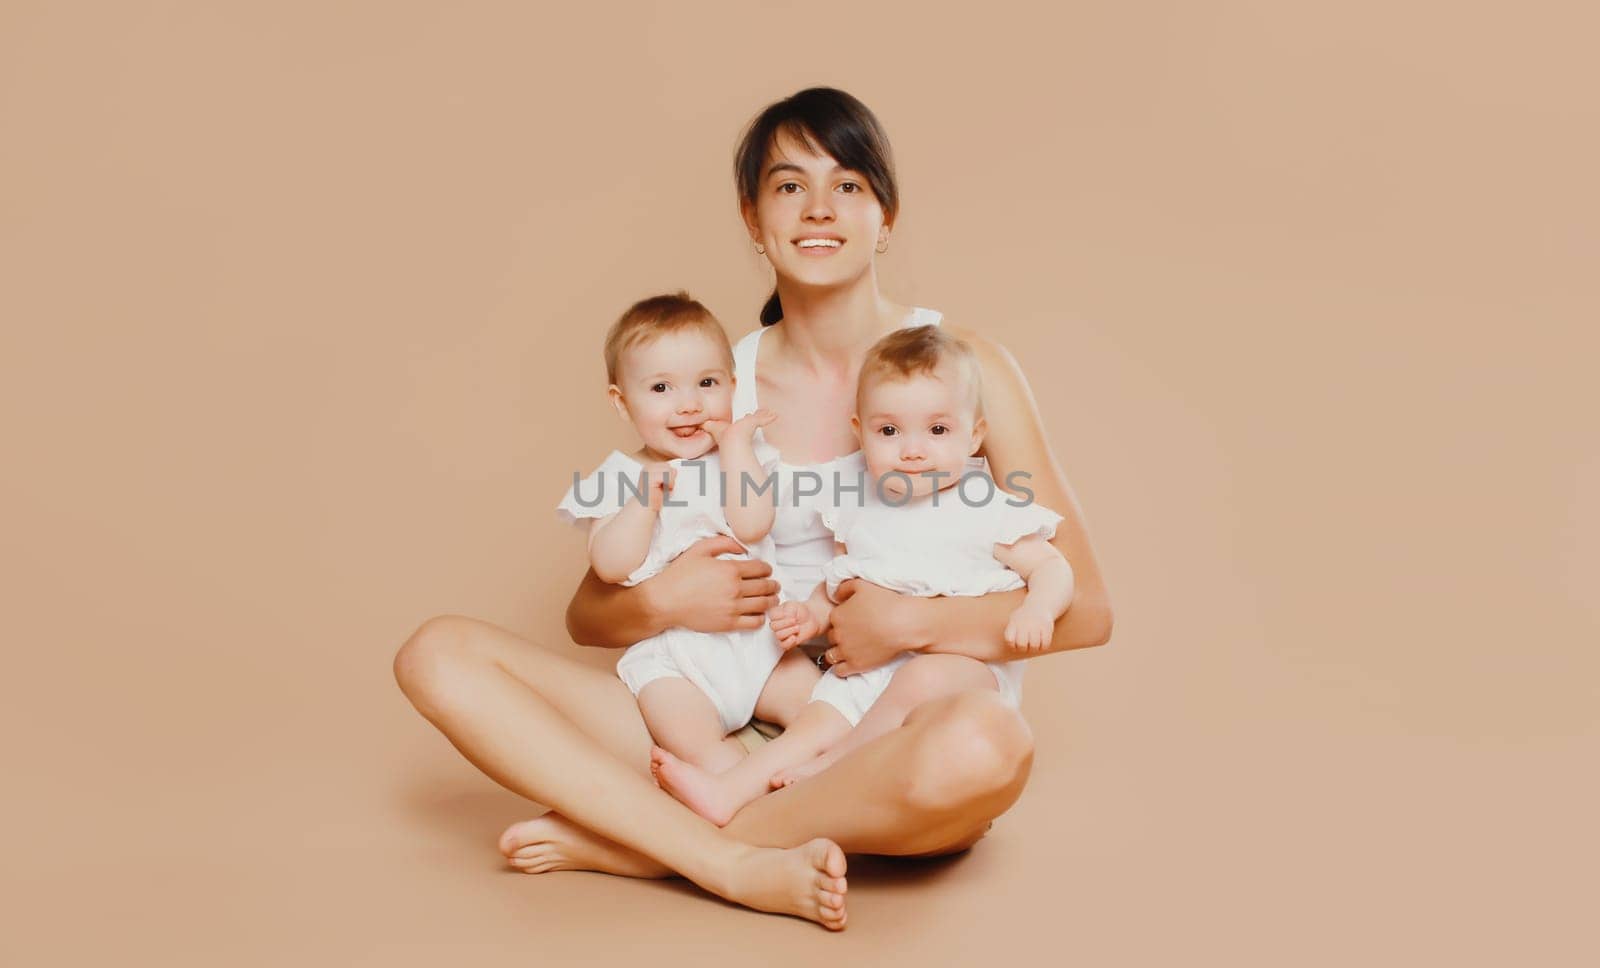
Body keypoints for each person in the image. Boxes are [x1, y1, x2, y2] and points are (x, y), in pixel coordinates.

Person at [393, 87, 1114, 931]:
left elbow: (1086, 610)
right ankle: (728, 857)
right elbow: (589, 613)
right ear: (753, 217)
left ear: (885, 216)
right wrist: (665, 601)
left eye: (848, 185)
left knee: (986, 745)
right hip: (718, 720)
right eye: (788, 186)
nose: (819, 208)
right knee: (437, 655)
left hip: (882, 740)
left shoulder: (961, 371)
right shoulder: (710, 384)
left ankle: (651, 842)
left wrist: (910, 623)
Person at [649, 325, 1074, 825]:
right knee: (817, 716)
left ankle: (833, 764)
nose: (912, 450)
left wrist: (1038, 608)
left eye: (937, 430)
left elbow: (1052, 566)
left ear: (975, 435)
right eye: (889, 432)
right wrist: (809, 615)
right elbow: (842, 587)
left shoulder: (984, 509)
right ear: (860, 430)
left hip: (960, 677)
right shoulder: (863, 512)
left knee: (923, 676)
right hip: (869, 671)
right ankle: (729, 790)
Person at [557, 292, 821, 771]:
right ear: (621, 401)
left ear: (733, 386)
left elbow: (753, 522)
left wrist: (737, 446)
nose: (689, 405)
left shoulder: (743, 458)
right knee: (691, 744)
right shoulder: (619, 477)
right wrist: (644, 502)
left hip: (760, 644)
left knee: (824, 711)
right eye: (661, 389)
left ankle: (801, 778)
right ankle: (733, 793)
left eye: (706, 383)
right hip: (676, 662)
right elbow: (611, 566)